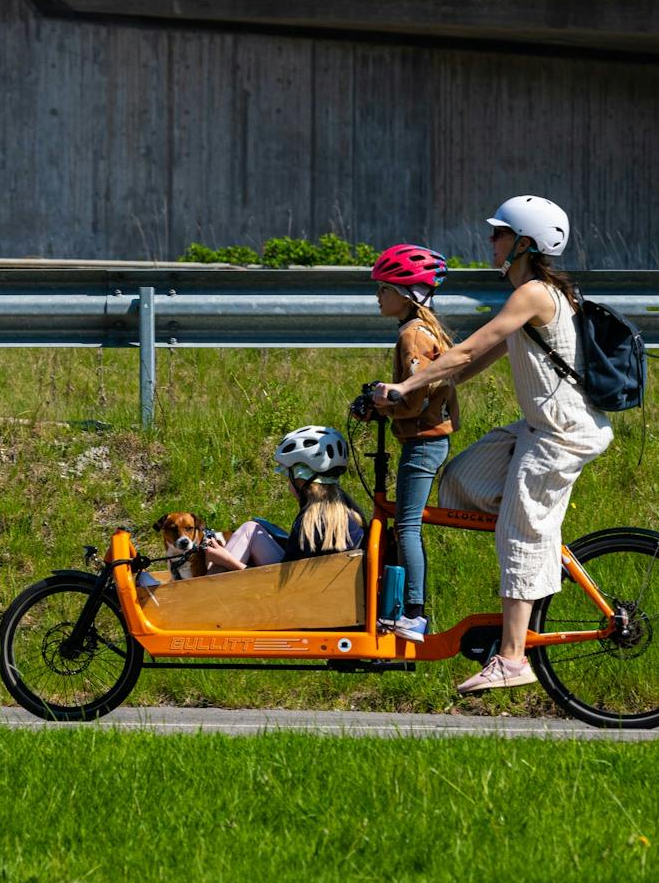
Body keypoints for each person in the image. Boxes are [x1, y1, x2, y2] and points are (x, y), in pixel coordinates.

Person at [375, 195, 611, 694]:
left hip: (560, 434)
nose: (491, 240)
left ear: (524, 244)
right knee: (462, 479)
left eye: (500, 233)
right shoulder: (533, 293)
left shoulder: (535, 294)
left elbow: (468, 349)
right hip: (538, 427)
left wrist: (405, 386)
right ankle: (536, 536)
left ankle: (512, 657)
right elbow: (480, 358)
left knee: (518, 533)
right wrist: (434, 387)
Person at [365, 243, 457, 643]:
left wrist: (382, 406)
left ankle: (414, 614)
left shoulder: (412, 336)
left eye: (384, 288)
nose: (378, 295)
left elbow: (415, 397)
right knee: (405, 523)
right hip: (423, 439)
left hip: (423, 442)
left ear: (405, 294)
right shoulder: (421, 330)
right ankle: (403, 607)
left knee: (406, 526)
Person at [202, 426, 367, 572]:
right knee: (251, 529)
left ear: (300, 479)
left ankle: (203, 593)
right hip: (332, 590)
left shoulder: (309, 524)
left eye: (289, 475)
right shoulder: (349, 512)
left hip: (302, 594)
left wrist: (229, 561)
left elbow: (282, 589)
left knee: (239, 542)